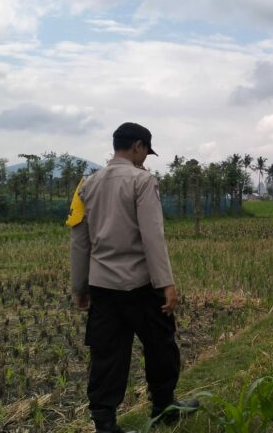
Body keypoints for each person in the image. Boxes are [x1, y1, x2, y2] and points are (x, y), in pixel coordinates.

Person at [69, 122, 198, 433]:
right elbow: (152, 236)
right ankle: (164, 405)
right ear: (138, 146)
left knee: (106, 355)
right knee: (160, 345)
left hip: (102, 286)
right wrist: (166, 282)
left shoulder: (87, 185)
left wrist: (80, 287)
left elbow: (79, 239)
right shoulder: (142, 181)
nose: (145, 159)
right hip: (140, 284)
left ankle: (105, 424)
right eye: (145, 152)